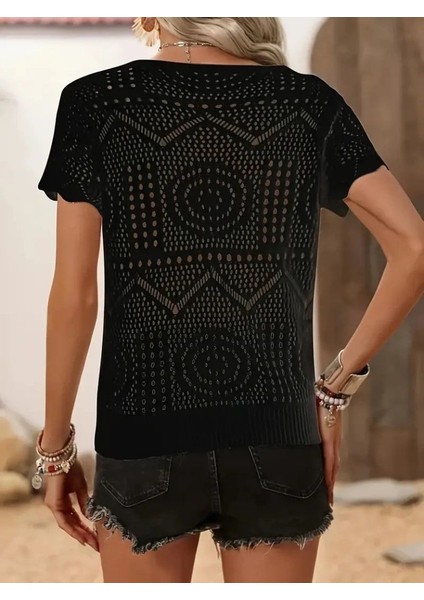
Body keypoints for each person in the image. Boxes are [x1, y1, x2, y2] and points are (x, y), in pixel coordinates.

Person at [35, 17, 424, 583]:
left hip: (142, 436)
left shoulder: (94, 103)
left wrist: (55, 452)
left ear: (154, 16)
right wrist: (333, 390)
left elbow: (75, 296)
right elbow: (413, 248)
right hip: (278, 432)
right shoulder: (307, 103)